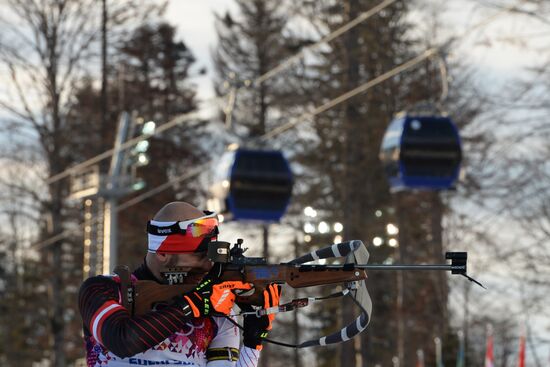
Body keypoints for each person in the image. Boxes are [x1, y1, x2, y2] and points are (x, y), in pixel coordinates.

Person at [78, 201, 281, 366]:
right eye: (200, 255)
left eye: (212, 255)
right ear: (163, 253)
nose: (209, 264)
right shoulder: (104, 290)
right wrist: (191, 305)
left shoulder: (216, 313)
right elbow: (122, 340)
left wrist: (253, 343)